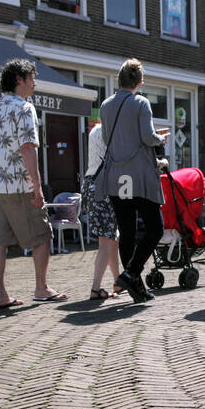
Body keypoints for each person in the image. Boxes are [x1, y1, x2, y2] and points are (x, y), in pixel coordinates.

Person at [0, 59, 64, 308]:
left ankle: (1, 295)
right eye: (32, 77)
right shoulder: (24, 108)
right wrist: (37, 186)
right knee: (42, 234)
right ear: (20, 79)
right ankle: (41, 288)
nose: (35, 82)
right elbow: (28, 148)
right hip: (19, 184)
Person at [95, 59, 167, 303]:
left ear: (119, 80)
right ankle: (132, 272)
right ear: (140, 82)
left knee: (126, 231)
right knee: (155, 227)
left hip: (117, 176)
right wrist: (161, 139)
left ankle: (136, 288)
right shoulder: (141, 103)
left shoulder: (105, 105)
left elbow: (106, 139)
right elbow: (148, 137)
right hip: (139, 176)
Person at [83, 118, 121, 300]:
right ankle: (95, 288)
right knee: (106, 240)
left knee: (111, 238)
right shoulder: (113, 132)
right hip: (104, 184)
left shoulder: (95, 130)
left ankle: (118, 281)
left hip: (91, 182)